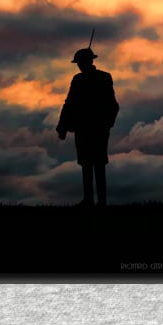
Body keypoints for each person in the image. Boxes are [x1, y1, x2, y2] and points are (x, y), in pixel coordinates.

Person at [56, 47, 119, 207]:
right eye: (78, 63)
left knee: (96, 163)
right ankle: (90, 200)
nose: (79, 66)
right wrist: (62, 126)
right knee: (87, 163)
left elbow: (112, 104)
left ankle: (99, 202)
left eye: (81, 62)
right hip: (86, 128)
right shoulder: (79, 79)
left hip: (95, 128)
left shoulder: (100, 78)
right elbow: (69, 103)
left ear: (88, 62)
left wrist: (107, 123)